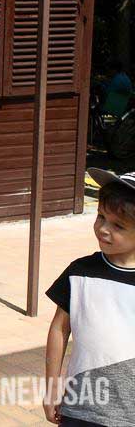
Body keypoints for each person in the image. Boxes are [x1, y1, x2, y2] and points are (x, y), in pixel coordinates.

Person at [43, 168, 135, 426]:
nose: (103, 229)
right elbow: (59, 328)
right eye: (101, 216)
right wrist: (52, 387)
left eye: (118, 225)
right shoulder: (79, 272)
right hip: (81, 408)